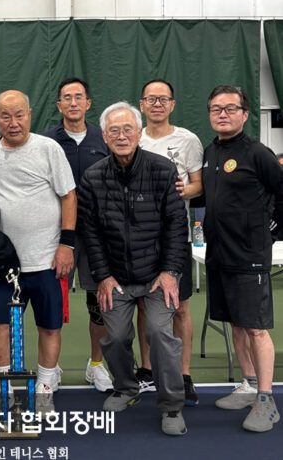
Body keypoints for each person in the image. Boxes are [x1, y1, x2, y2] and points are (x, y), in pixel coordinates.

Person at [77, 101, 188, 436]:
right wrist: (103, 276)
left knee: (159, 334)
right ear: (104, 137)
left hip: (157, 275)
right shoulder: (92, 177)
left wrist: (169, 272)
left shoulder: (162, 170)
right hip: (115, 277)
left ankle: (171, 405)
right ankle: (126, 387)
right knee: (116, 337)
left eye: (128, 129)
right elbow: (90, 233)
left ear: (139, 133)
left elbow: (177, 225)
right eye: (114, 130)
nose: (122, 136)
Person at [0, 90, 77, 415]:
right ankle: (3, 390)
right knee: (0, 327)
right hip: (2, 265)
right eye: (6, 116)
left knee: (49, 327)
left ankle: (44, 390)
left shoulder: (49, 149)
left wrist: (66, 245)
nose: (13, 122)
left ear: (29, 114)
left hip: (47, 261)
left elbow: (69, 196)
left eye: (19, 115)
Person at [202, 85, 283, 432]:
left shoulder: (258, 153)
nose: (222, 113)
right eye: (216, 108)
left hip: (249, 256)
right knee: (235, 323)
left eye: (230, 108)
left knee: (255, 328)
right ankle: (248, 385)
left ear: (245, 114)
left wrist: (271, 230)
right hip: (219, 255)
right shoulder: (210, 152)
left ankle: (266, 399)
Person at [43, 77, 113, 392]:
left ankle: (96, 366)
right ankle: (51, 366)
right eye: (67, 97)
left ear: (88, 103)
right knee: (52, 303)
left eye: (78, 97)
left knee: (99, 304)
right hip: (56, 237)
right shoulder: (45, 142)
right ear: (59, 105)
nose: (73, 102)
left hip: (97, 237)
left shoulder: (104, 139)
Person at [136, 79, 203, 405]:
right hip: (139, 242)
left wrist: (177, 191)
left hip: (176, 240)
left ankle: (183, 374)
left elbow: (198, 185)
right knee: (144, 305)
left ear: (172, 104)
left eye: (163, 99)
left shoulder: (188, 140)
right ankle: (147, 370)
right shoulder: (133, 137)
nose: (157, 104)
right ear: (142, 104)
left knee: (180, 308)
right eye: (151, 99)